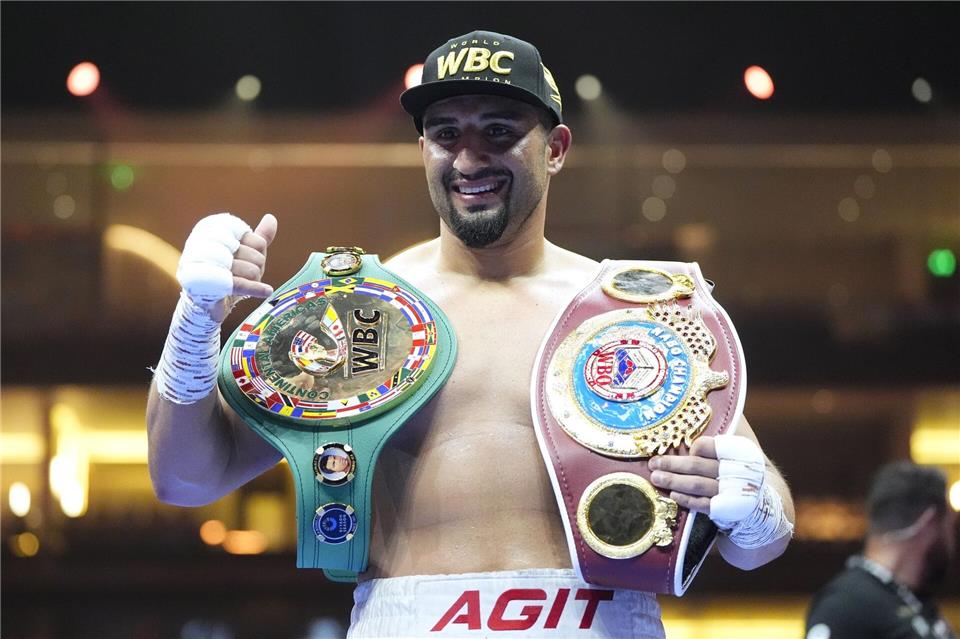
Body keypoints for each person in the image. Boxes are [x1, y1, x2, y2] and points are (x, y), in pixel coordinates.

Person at [147, 30, 795, 638]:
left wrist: (753, 499)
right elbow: (185, 478)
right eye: (445, 132)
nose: (468, 156)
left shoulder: (628, 314)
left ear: (557, 147)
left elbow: (759, 543)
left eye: (498, 131)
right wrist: (197, 317)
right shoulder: (355, 311)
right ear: (421, 147)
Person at [805, 462, 957, 639]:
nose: (953, 543)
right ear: (929, 523)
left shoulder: (916, 602)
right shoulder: (846, 606)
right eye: (951, 527)